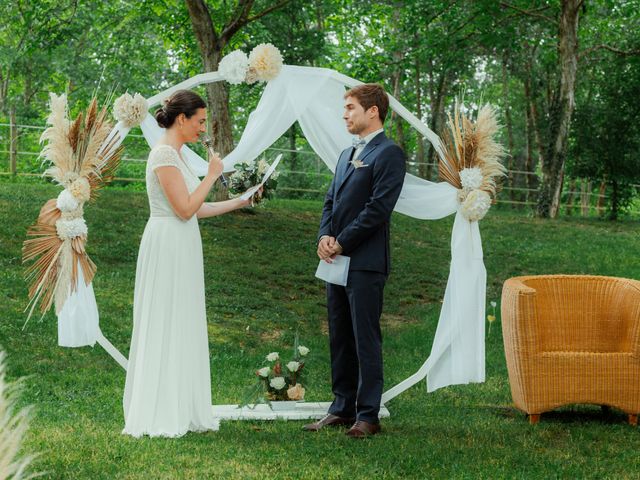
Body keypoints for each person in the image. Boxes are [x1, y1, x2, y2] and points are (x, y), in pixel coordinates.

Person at [123, 90, 256, 437]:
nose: (202, 129)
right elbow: (183, 209)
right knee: (164, 317)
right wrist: (213, 175)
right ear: (182, 119)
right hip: (167, 242)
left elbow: (198, 208)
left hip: (183, 241)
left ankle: (182, 402)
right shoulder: (165, 154)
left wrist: (241, 202)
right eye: (198, 121)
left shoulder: (178, 154)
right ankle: (160, 409)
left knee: (182, 318)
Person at [303, 84, 406, 438]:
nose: (344, 114)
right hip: (336, 260)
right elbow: (330, 200)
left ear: (373, 111)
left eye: (350, 108)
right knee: (340, 336)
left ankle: (368, 415)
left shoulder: (389, 153)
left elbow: (378, 208)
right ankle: (341, 407)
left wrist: (343, 242)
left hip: (365, 261)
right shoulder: (347, 153)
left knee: (365, 338)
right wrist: (324, 238)